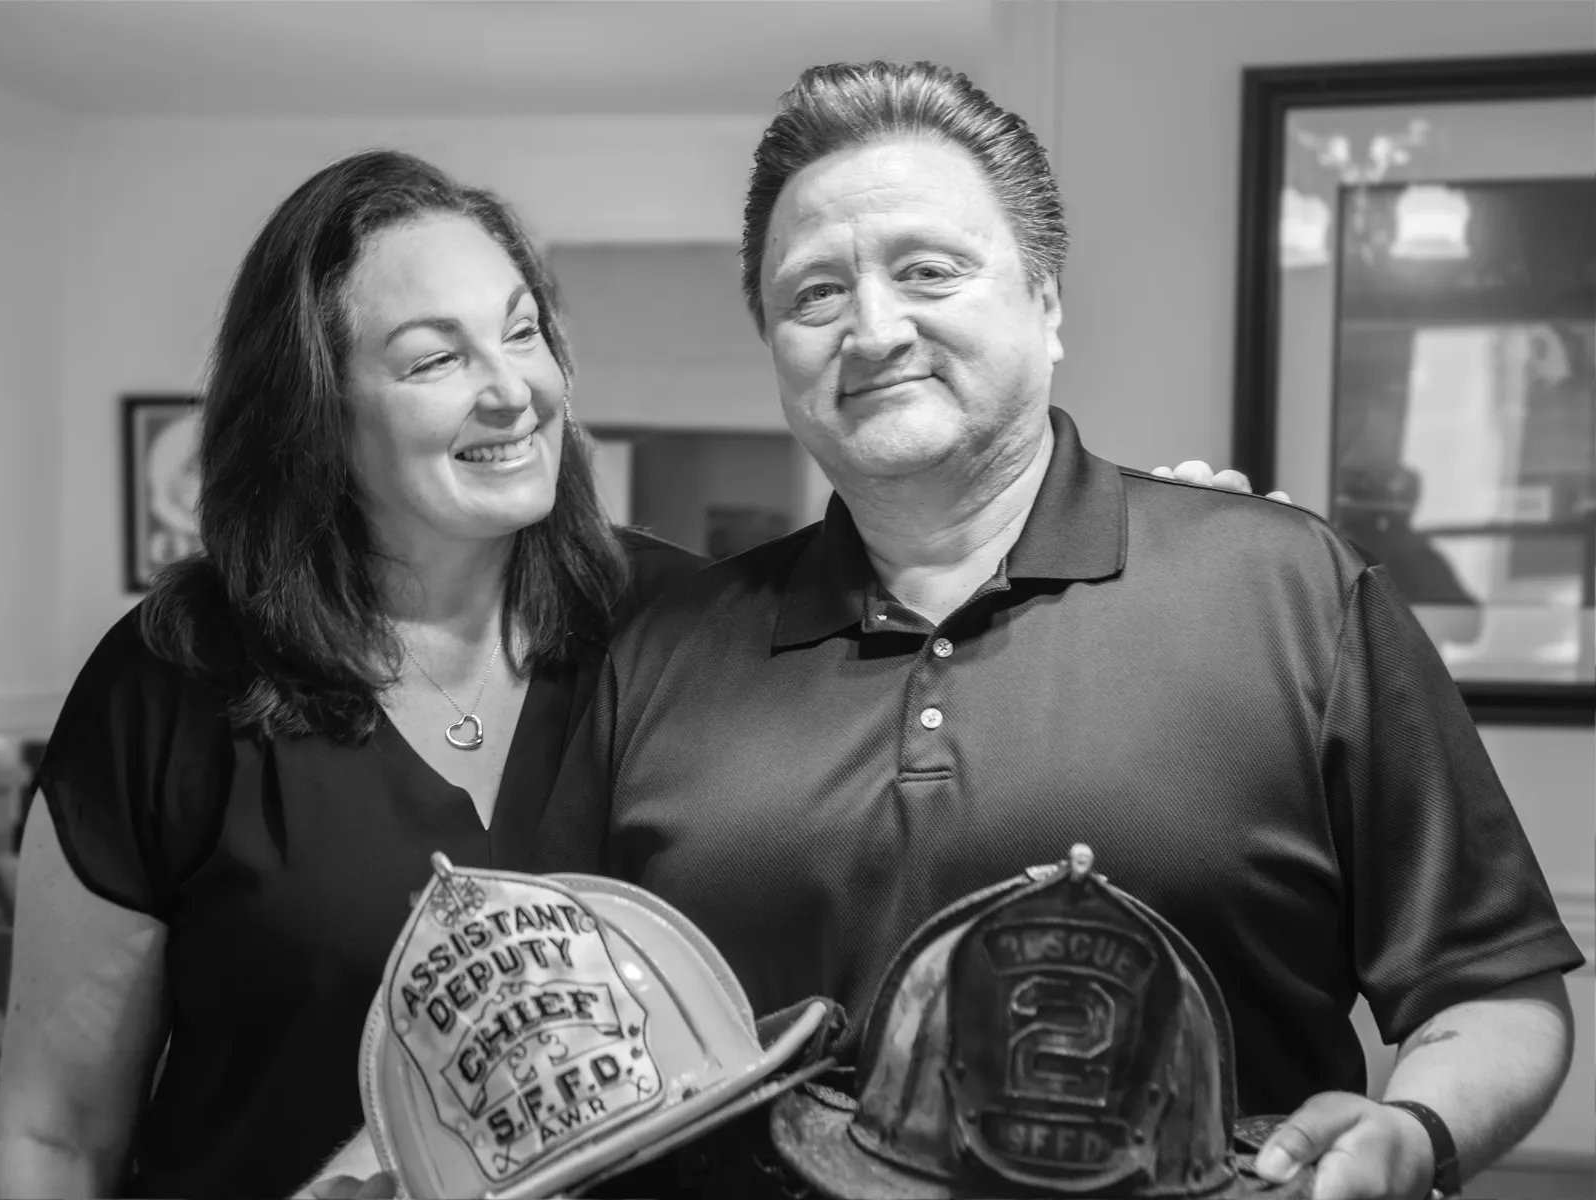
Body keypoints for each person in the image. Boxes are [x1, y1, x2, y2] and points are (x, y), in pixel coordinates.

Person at [0, 146, 1271, 1200]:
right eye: (435, 360)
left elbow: (945, 677)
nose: (513, 391)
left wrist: (1167, 560)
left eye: (524, 333)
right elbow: (53, 1132)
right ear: (318, 410)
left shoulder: (692, 622)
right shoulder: (174, 678)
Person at [533, 62, 1581, 1200]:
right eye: (814, 295)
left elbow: (1493, 988)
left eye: (928, 270)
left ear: (1046, 301)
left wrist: (1416, 1132)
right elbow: (565, 1025)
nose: (872, 328)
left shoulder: (1287, 589)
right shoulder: (663, 653)